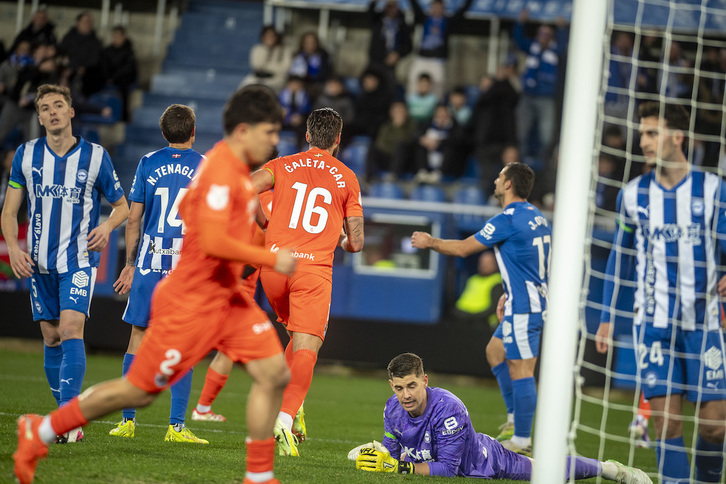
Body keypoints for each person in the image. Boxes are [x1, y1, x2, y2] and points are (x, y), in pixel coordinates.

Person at [12, 84, 297, 484]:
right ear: (245, 130)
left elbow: (225, 212)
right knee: (138, 392)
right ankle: (41, 431)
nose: (274, 140)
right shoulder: (215, 170)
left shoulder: (230, 171)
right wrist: (272, 258)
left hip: (226, 300)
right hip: (190, 301)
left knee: (273, 373)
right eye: (269, 132)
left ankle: (259, 475)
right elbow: (214, 241)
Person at [596, 101, 726, 483]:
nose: (643, 141)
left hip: (704, 323)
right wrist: (606, 318)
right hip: (652, 324)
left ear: (677, 137)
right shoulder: (633, 195)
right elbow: (619, 260)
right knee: (666, 424)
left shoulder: (713, 189)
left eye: (652, 133)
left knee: (715, 426)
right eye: (642, 133)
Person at [1, 84, 129, 443]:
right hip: (38, 263)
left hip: (78, 260)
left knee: (72, 329)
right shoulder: (25, 156)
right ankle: (65, 418)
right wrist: (13, 247)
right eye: (45, 107)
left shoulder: (95, 156)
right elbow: (10, 211)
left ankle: (69, 422)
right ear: (39, 116)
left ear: (71, 112)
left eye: (59, 105)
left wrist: (106, 226)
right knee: (51, 335)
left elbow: (123, 206)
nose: (53, 111)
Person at [411, 162, 551, 456]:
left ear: (509, 184)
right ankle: (514, 422)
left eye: (500, 176)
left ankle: (522, 440)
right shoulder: (537, 216)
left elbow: (463, 249)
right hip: (522, 300)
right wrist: (508, 292)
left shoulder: (507, 219)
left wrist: (430, 241)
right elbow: (528, 262)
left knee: (522, 369)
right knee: (495, 352)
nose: (496, 181)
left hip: (526, 307)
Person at [251, 107, 365, 456]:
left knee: (294, 338)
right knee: (307, 345)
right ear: (338, 140)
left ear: (307, 136)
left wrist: (264, 220)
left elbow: (242, 188)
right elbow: (357, 242)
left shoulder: (282, 164)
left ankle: (293, 405)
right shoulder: (347, 177)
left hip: (274, 270)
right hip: (312, 271)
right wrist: (345, 241)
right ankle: (283, 419)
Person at [351, 352, 652, 483]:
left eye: (412, 385)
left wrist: (400, 468)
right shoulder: (391, 408)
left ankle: (611, 469)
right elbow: (391, 454)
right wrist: (384, 459)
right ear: (392, 386)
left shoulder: (449, 409)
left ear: (425, 380)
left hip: (485, 461)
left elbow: (448, 469)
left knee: (550, 473)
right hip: (430, 454)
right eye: (400, 388)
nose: (406, 395)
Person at [108, 104, 207, 443]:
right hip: (186, 268)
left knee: (138, 336)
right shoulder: (205, 168)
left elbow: (133, 219)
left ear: (164, 133)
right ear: (193, 132)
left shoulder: (148, 162)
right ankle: (176, 427)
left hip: (150, 262)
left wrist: (131, 263)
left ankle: (127, 421)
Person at [512, 8, 568, 169]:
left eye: (547, 35)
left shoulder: (555, 50)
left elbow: (563, 46)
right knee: (521, 131)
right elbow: (518, 40)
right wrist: (520, 23)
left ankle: (543, 165)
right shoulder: (532, 47)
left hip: (546, 98)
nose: (543, 38)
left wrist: (562, 29)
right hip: (528, 96)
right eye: (541, 34)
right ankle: (519, 164)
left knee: (547, 134)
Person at [408, 0, 474, 98]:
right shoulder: (425, 19)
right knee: (414, 80)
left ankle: (437, 107)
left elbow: (461, 12)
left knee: (438, 84)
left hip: (438, 60)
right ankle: (411, 103)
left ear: (443, 9)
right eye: (434, 7)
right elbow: (415, 7)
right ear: (431, 8)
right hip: (422, 57)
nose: (437, 10)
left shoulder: (447, 22)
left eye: (439, 7)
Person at [366, 0, 412, 96]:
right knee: (370, 88)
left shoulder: (401, 24)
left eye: (393, 7)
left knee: (388, 90)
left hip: (389, 64)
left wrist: (398, 54)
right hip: (375, 61)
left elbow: (408, 45)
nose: (390, 10)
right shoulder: (377, 20)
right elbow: (369, 12)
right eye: (388, 7)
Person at [100, 26, 138, 122]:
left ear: (123, 37)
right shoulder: (107, 51)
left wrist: (114, 78)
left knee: (124, 89)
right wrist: (108, 77)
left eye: (118, 36)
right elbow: (104, 65)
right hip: (108, 78)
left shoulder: (129, 52)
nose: (115, 38)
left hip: (122, 80)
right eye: (114, 36)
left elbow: (128, 69)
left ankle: (123, 116)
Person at [240, 26, 292, 93]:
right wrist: (266, 49)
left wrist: (267, 67)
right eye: (268, 36)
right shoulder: (257, 49)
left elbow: (285, 68)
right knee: (245, 86)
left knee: (265, 88)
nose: (270, 38)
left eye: (272, 36)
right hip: (258, 77)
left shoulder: (284, 51)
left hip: (276, 79)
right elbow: (257, 65)